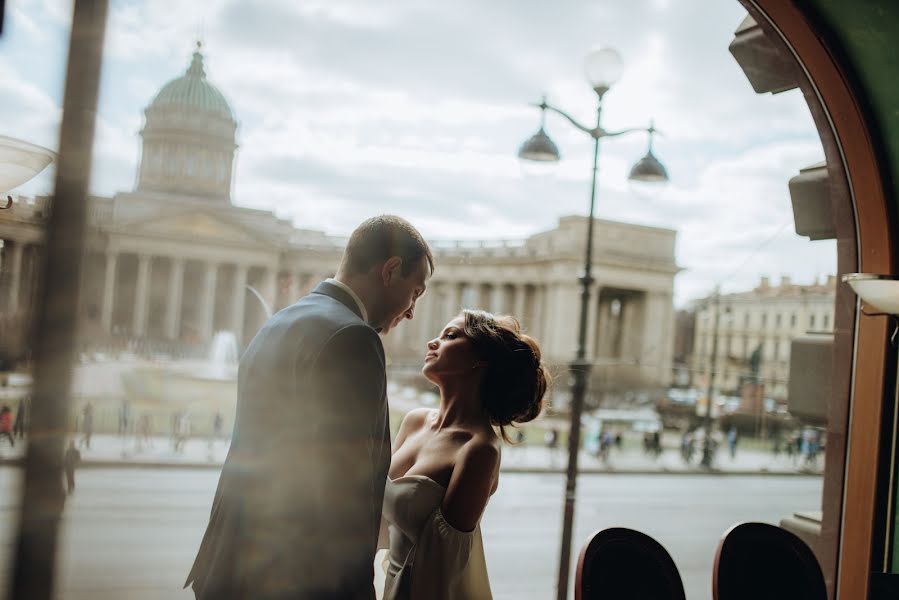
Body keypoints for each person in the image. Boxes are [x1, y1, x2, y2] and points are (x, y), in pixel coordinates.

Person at [185, 215, 433, 599]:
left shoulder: (280, 321)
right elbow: (347, 490)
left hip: (231, 561)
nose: (412, 310)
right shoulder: (354, 337)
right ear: (390, 270)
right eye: (415, 292)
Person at [381, 310, 548, 599]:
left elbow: (443, 565)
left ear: (479, 359)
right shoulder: (414, 421)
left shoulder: (479, 450)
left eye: (450, 336)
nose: (432, 342)